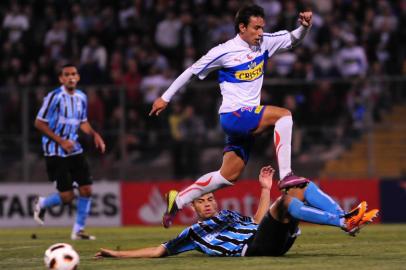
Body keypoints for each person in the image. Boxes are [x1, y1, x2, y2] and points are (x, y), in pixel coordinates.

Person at [149, 4, 314, 228]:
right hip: (234, 116)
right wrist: (165, 98)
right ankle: (286, 175)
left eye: (262, 28)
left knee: (228, 176)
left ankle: (177, 201)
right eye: (255, 28)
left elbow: (293, 39)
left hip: (246, 119)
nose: (260, 32)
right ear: (242, 27)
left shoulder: (265, 42)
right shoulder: (223, 51)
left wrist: (304, 27)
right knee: (284, 115)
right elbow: (191, 71)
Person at [95, 166, 379, 259]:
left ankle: (345, 216)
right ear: (191, 207)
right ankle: (343, 221)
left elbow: (258, 221)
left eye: (209, 199)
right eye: (201, 201)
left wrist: (264, 188)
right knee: (287, 203)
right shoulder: (193, 233)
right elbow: (159, 251)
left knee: (300, 184)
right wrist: (117, 254)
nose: (207, 203)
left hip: (268, 240)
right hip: (253, 248)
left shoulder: (229, 216)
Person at [33, 63, 106, 240]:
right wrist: (61, 141)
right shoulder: (54, 97)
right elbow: (39, 123)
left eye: (74, 74)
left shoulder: (81, 97)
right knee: (67, 197)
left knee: (87, 190)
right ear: (61, 79)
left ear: (78, 77)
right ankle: (42, 203)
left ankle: (78, 231)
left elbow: (83, 121)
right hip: (55, 151)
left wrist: (95, 135)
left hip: (74, 149)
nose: (71, 77)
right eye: (67, 74)